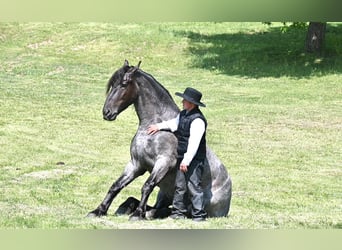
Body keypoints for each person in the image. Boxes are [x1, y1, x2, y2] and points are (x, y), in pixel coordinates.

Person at [147, 87, 208, 221]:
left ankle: (199, 215)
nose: (182, 102)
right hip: (182, 157)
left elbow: (193, 143)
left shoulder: (198, 121)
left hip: (194, 159)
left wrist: (186, 161)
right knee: (180, 186)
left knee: (193, 186)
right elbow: (173, 124)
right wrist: (158, 126)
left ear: (191, 103)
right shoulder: (184, 114)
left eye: (184, 100)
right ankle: (178, 213)